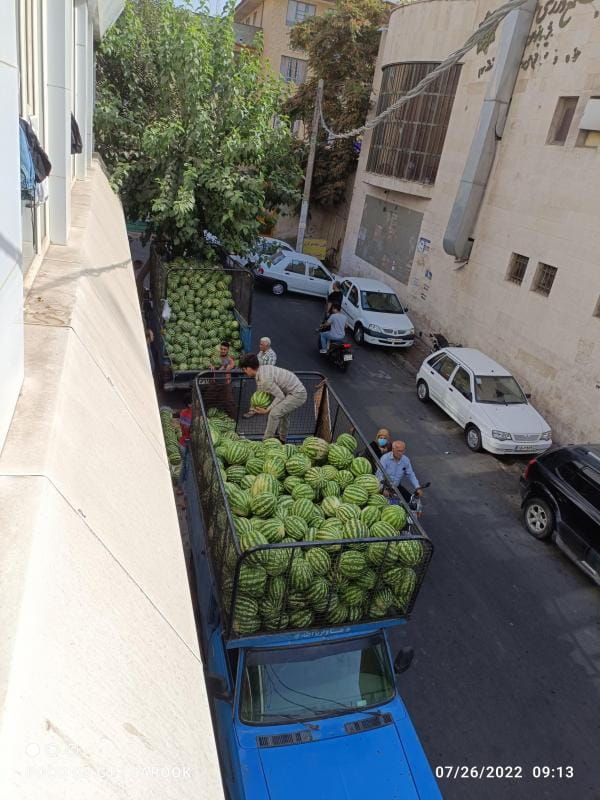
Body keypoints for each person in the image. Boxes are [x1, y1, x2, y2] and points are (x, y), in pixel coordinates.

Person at [239, 354, 307, 443]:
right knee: (283, 414)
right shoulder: (262, 370)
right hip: (289, 391)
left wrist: (267, 410)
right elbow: (261, 391)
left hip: (297, 394)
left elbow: (280, 396)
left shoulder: (265, 379)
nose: (245, 372)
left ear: (248, 368)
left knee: (274, 414)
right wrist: (254, 407)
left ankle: (266, 442)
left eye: (244, 370)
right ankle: (282, 439)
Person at [214, 341, 236, 418]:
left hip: (226, 383)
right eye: (221, 349)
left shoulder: (229, 359)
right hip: (216, 382)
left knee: (229, 401)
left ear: (228, 350)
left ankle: (232, 417)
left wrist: (226, 367)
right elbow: (212, 366)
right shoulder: (216, 358)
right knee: (213, 398)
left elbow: (232, 364)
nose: (223, 351)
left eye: (225, 349)